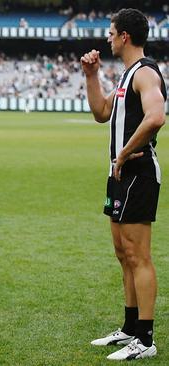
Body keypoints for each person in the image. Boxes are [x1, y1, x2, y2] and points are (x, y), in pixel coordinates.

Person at [82, 8, 166, 361]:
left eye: (111, 32)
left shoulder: (145, 73)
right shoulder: (125, 74)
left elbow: (156, 116)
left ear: (124, 37)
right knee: (123, 254)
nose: (108, 38)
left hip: (138, 171)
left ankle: (145, 339)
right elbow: (101, 112)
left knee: (138, 255)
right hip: (119, 173)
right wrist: (91, 75)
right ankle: (130, 328)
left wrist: (124, 152)